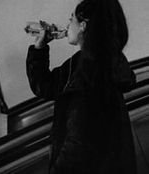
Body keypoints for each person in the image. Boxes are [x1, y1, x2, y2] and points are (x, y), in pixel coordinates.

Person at [26, 0, 137, 173]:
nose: (68, 25)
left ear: (83, 25)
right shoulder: (84, 63)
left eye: (71, 20)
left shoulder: (92, 72)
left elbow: (77, 145)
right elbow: (45, 87)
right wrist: (39, 48)